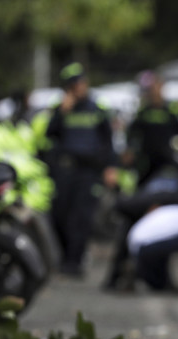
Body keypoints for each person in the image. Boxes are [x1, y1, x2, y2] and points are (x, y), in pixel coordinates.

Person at [102, 71, 178, 290]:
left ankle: (161, 279)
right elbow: (130, 145)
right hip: (144, 177)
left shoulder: (171, 112)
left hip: (165, 177)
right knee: (131, 223)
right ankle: (116, 276)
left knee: (164, 227)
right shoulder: (142, 114)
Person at [46, 62, 117, 276]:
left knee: (82, 217)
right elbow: (50, 135)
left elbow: (108, 141)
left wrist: (111, 167)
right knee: (60, 214)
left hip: (89, 171)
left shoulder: (97, 108)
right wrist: (61, 113)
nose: (79, 87)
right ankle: (65, 257)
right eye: (74, 84)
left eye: (81, 82)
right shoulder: (61, 109)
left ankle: (74, 262)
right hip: (66, 170)